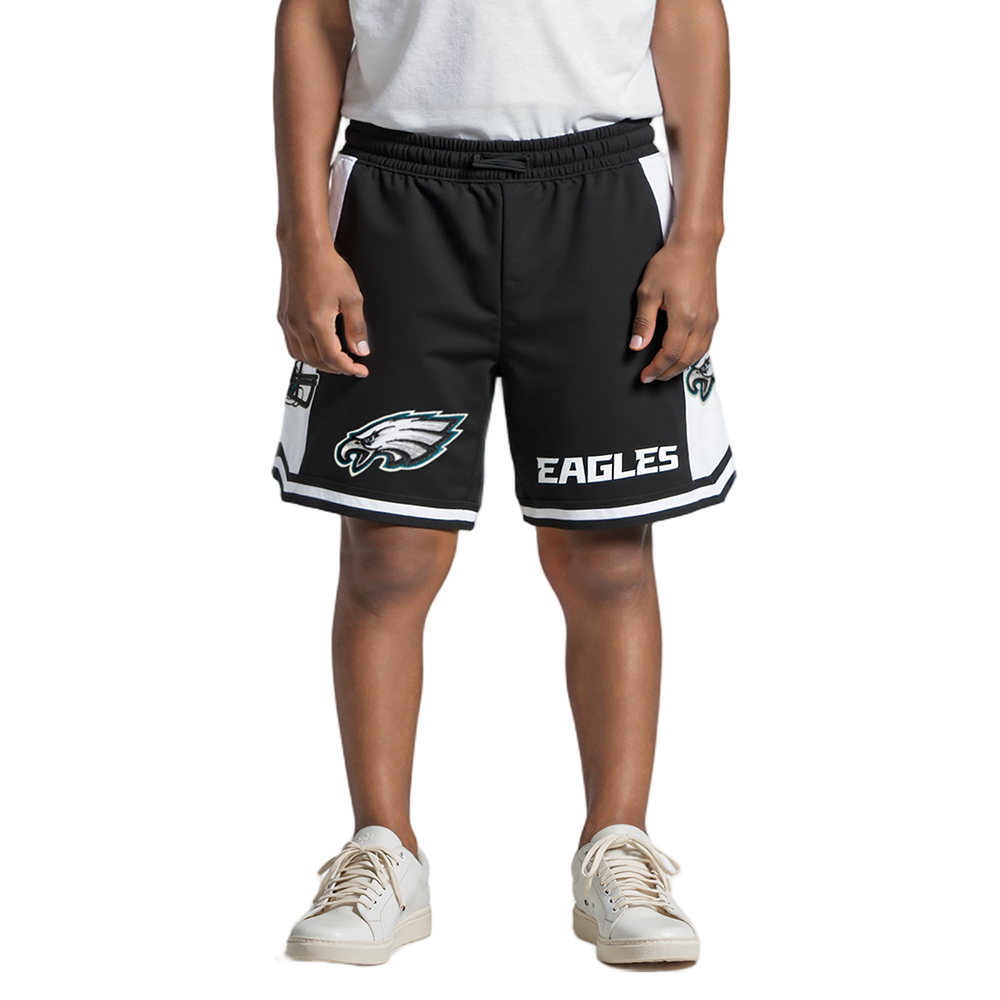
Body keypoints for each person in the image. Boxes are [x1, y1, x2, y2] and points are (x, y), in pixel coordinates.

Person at [272, 0, 733, 967]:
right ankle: (383, 851)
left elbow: (688, 17)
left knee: (607, 555)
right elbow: (315, 17)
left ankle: (618, 847)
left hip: (600, 194)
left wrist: (698, 234)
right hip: (398, 194)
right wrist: (303, 239)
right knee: (388, 555)